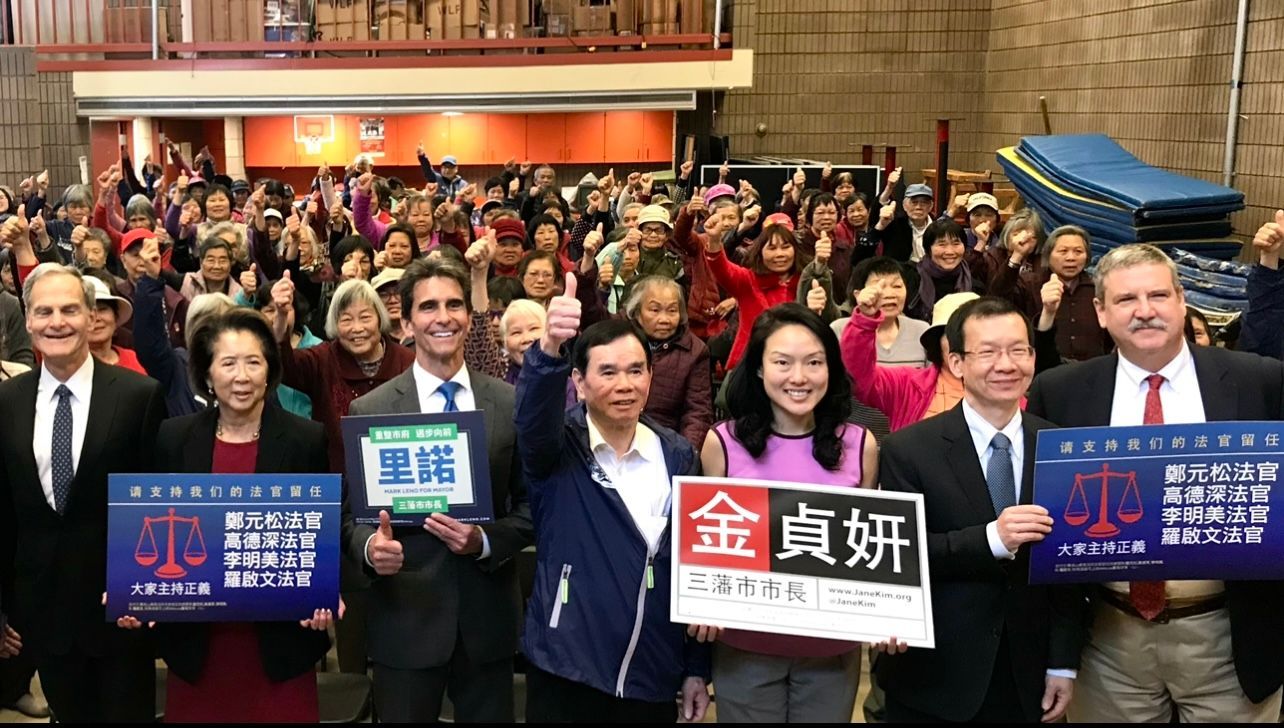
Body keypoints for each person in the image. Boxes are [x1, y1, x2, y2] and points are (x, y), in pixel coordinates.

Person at [1026, 243, 1284, 722]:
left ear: (1182, 300)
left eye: (1158, 295)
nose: (1145, 312)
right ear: (1101, 312)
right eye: (1126, 300)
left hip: (1228, 634)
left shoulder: (1260, 383)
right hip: (1107, 637)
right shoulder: (1061, 393)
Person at [338, 256, 533, 722]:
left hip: (487, 621)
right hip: (405, 616)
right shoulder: (373, 409)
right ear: (406, 321)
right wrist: (370, 549)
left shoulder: (509, 402)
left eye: (454, 305)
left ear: (470, 315)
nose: (442, 317)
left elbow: (531, 507)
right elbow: (351, 518)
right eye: (428, 307)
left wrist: (484, 541)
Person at [876, 296, 1085, 723]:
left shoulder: (1062, 446)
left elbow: (1071, 568)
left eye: (1018, 350)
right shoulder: (908, 450)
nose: (1006, 365)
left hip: (1028, 674)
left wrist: (1062, 662)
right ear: (956, 363)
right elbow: (899, 556)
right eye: (987, 352)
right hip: (934, 675)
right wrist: (991, 540)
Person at [514, 276, 712, 723]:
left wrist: (696, 668)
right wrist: (548, 350)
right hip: (565, 669)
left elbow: (694, 566)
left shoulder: (678, 455)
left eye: (636, 370)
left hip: (653, 671)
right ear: (579, 384)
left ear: (650, 377)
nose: (625, 384)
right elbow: (530, 418)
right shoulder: (558, 447)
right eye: (608, 372)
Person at [119, 309, 332, 722]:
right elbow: (152, 523)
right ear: (207, 373)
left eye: (254, 362)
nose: (242, 376)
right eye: (228, 362)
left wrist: (322, 592)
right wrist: (133, 591)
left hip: (279, 645)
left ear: (270, 370)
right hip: (199, 647)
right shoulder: (173, 437)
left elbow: (318, 536)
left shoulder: (306, 439)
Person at [0, 263, 165, 722]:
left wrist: (145, 590)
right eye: (44, 311)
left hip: (119, 609)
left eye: (70, 309)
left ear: (91, 316)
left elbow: (156, 501)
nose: (57, 322)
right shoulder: (8, 403)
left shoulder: (139, 395)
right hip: (42, 610)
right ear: (29, 320)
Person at [699, 303, 878, 722]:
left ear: (830, 368)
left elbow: (870, 547)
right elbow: (707, 544)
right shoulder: (722, 443)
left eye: (814, 362)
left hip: (831, 649)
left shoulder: (860, 444)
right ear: (759, 369)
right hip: (745, 647)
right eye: (782, 362)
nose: (799, 377)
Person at [989, 224, 1111, 361]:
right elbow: (998, 299)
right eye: (1063, 251)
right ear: (1048, 255)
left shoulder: (1099, 287)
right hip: (1044, 368)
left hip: (1092, 368)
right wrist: (1017, 256)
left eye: (1078, 251)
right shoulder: (1030, 283)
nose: (1071, 257)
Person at [622, 276, 714, 450]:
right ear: (637, 313)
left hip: (666, 444)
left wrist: (686, 455)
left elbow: (697, 412)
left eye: (672, 310)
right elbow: (593, 316)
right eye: (655, 310)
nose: (664, 319)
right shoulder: (621, 338)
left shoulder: (695, 351)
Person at [500, 298, 576, 410]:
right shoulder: (498, 378)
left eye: (533, 328)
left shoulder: (564, 384)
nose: (526, 339)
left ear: (548, 333)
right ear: (505, 342)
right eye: (516, 332)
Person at [908, 219, 984, 322]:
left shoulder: (975, 286)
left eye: (956, 244)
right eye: (942, 244)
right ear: (928, 249)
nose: (949, 251)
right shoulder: (911, 279)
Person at [83, 274, 145, 374]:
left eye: (103, 309)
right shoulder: (70, 368)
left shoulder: (132, 358)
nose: (96, 318)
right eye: (88, 313)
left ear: (115, 316)